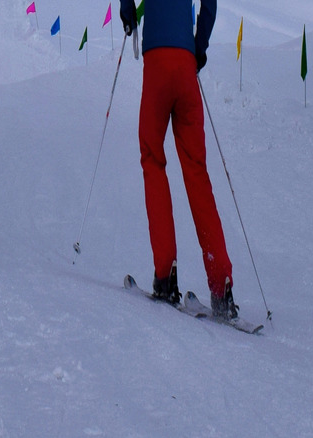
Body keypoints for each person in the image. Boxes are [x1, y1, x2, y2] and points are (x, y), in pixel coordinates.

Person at [118, 0, 238, 319]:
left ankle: (165, 276)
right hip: (186, 65)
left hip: (157, 63)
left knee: (153, 160)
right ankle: (221, 285)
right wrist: (199, 47)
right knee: (197, 171)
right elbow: (209, 7)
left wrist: (128, 12)